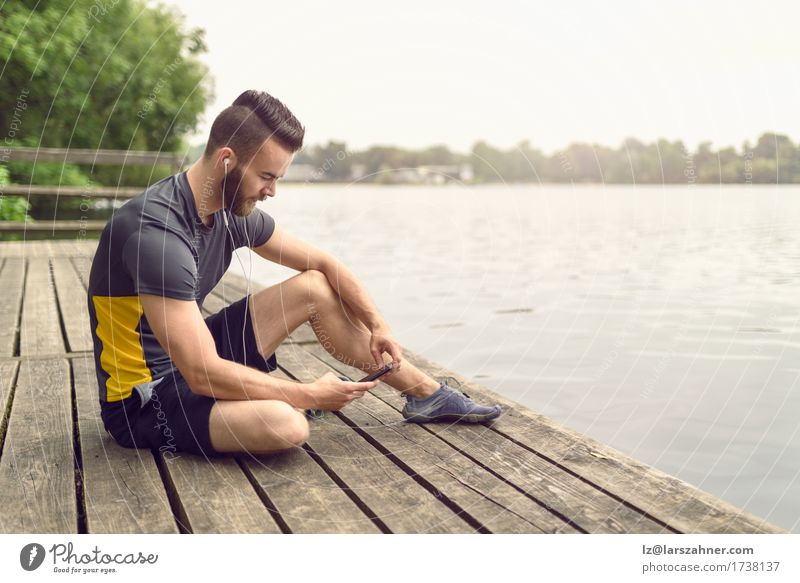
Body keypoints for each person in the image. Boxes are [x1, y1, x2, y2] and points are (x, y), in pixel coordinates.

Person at [87, 89, 502, 458]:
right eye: (266, 176)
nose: (272, 192)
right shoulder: (155, 232)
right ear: (227, 160)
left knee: (313, 288)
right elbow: (201, 372)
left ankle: (426, 395)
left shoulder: (229, 212)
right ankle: (295, 402)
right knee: (286, 426)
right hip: (144, 400)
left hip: (192, 361)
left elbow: (325, 264)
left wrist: (378, 324)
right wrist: (305, 393)